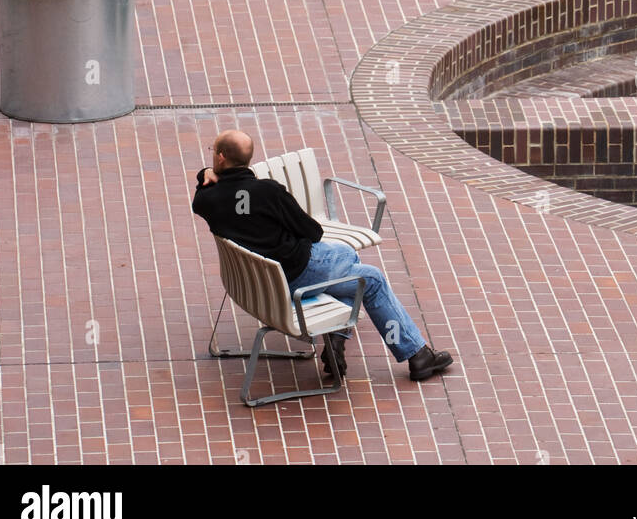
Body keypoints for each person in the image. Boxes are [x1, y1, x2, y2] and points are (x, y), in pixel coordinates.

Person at [192, 129, 454, 383]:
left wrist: (206, 173)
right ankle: (416, 355)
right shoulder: (269, 191)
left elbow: (207, 195)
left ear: (221, 157)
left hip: (259, 284)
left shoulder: (207, 199)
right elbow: (313, 232)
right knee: (369, 277)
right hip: (297, 274)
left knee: (348, 259)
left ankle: (338, 335)